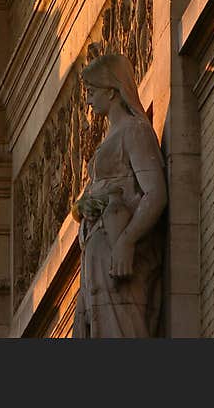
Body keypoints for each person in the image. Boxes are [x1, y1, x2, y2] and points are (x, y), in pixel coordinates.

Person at [71, 53, 166, 338]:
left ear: (112, 91)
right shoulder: (111, 138)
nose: (88, 101)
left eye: (92, 92)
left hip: (116, 252)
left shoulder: (134, 131)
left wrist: (126, 242)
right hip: (96, 254)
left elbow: (155, 193)